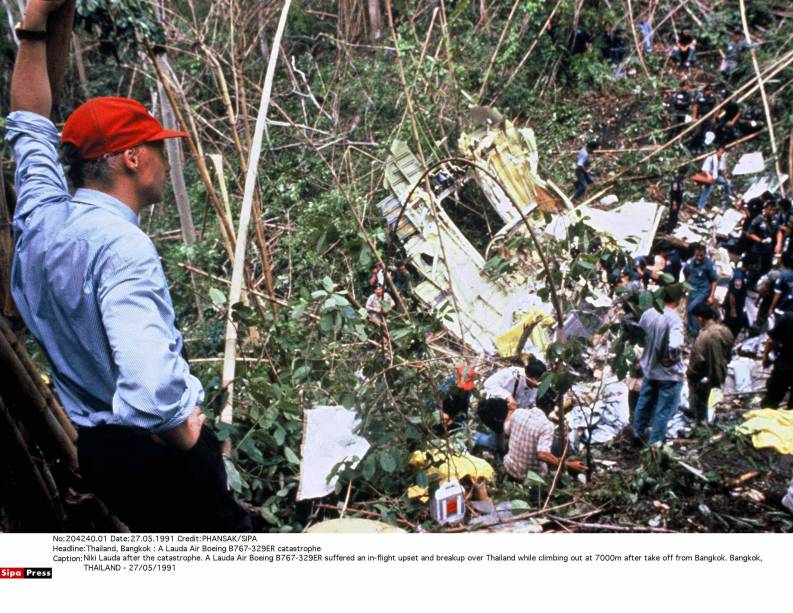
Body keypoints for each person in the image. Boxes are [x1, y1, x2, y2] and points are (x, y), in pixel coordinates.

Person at [5, 0, 250, 531]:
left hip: (99, 454)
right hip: (160, 458)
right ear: (132, 159)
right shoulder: (122, 248)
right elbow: (145, 377)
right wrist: (184, 427)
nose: (166, 158)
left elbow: (28, 125)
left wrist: (37, 24)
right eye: (157, 147)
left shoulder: (41, 219)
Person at [632, 284, 687, 445]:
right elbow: (676, 344)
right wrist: (671, 358)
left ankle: (637, 432)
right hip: (668, 374)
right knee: (663, 411)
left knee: (644, 402)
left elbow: (639, 336)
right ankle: (654, 444)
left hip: (649, 369)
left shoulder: (648, 314)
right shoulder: (674, 318)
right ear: (677, 300)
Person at [503, 390, 586, 481]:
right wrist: (569, 464)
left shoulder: (518, 413)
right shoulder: (547, 426)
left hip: (510, 468)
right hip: (530, 477)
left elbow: (506, 431)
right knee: (556, 444)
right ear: (550, 406)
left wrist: (510, 412)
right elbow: (542, 455)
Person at [475, 356, 546, 451]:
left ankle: (496, 443)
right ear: (531, 377)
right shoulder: (512, 374)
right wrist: (508, 396)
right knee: (496, 441)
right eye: (538, 380)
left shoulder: (535, 387)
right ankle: (473, 437)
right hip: (495, 408)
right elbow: (489, 383)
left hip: (510, 415)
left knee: (499, 441)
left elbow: (530, 402)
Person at [686, 303, 734, 423]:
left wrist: (690, 373)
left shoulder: (704, 337)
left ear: (700, 318)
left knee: (701, 404)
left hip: (704, 377)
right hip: (722, 372)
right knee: (716, 402)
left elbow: (698, 360)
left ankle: (700, 422)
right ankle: (714, 421)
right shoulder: (726, 331)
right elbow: (729, 351)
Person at [683, 243, 718, 337]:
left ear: (705, 254)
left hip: (702, 291)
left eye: (701, 255)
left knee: (691, 309)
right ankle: (691, 331)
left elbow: (714, 280)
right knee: (689, 310)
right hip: (692, 290)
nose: (699, 257)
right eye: (697, 255)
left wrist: (711, 295)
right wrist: (686, 284)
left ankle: (695, 333)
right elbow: (686, 272)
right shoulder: (690, 262)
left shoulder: (709, 264)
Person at [761, 311, 793, 409]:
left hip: (784, 365)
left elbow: (771, 340)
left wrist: (765, 357)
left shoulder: (788, 317)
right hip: (785, 364)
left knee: (770, 402)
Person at [744, 200, 779, 288]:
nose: (772, 212)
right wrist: (760, 241)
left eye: (774, 210)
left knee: (766, 269)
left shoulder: (775, 220)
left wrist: (778, 243)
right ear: (766, 209)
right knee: (756, 268)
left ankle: (754, 285)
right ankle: (747, 285)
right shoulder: (759, 219)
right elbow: (749, 234)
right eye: (770, 209)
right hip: (758, 249)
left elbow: (778, 231)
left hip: (769, 250)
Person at [722, 266, 749, 338]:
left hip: (737, 305)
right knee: (732, 325)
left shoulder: (740, 273)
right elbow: (733, 294)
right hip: (735, 306)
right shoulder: (739, 276)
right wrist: (733, 310)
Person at [765, 251, 793, 317]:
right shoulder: (789, 274)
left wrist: (771, 308)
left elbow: (777, 293)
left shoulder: (777, 274)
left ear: (781, 261)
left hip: (776, 303)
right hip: (788, 305)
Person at [690, 84, 717, 152]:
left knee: (704, 133)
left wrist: (714, 118)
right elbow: (695, 107)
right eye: (708, 90)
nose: (709, 92)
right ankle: (693, 147)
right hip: (700, 117)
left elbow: (715, 108)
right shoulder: (699, 97)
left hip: (708, 118)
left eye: (710, 90)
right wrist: (694, 117)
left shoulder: (713, 98)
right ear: (705, 91)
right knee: (697, 133)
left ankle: (700, 148)